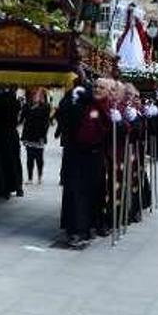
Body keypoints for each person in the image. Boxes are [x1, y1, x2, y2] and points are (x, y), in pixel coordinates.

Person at [56, 78, 112, 248]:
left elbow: (106, 130)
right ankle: (75, 230)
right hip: (76, 155)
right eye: (95, 86)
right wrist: (70, 99)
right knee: (75, 194)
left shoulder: (106, 107)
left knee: (90, 195)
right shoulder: (84, 102)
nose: (97, 89)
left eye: (102, 87)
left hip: (94, 157)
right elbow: (65, 117)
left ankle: (87, 228)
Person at [20, 88, 51, 185]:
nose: (36, 97)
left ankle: (40, 176)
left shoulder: (45, 107)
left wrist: (43, 135)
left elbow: (46, 122)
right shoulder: (27, 106)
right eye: (34, 95)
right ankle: (29, 178)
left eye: (38, 95)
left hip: (39, 135)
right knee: (30, 158)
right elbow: (22, 118)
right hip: (29, 135)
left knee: (39, 158)